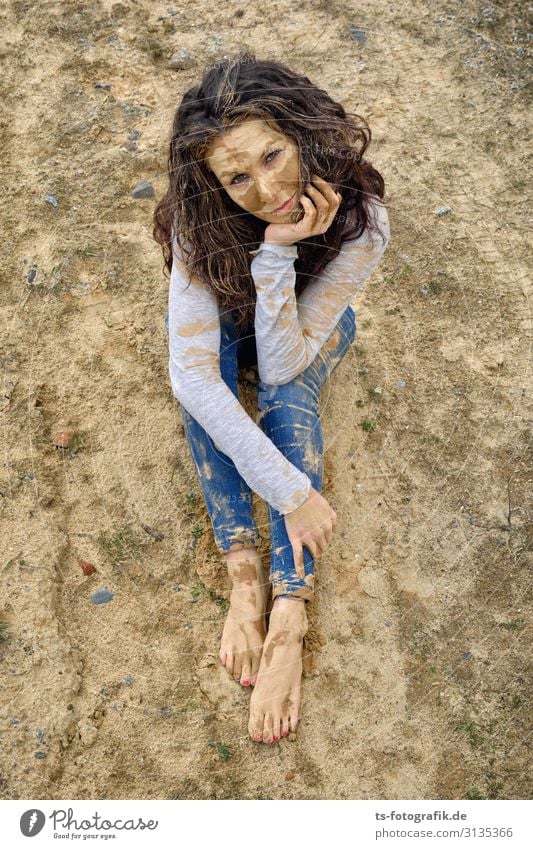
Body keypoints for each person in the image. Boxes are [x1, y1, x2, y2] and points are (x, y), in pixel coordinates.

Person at [153, 52, 391, 745]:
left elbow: (284, 364)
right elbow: (193, 378)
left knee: (286, 395)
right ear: (212, 185)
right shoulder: (199, 228)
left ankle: (289, 611)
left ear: (300, 132)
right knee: (206, 389)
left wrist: (280, 252)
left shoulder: (364, 217)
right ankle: (244, 575)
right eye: (237, 176)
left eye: (272, 155)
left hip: (307, 322)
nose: (266, 188)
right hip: (229, 312)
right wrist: (291, 492)